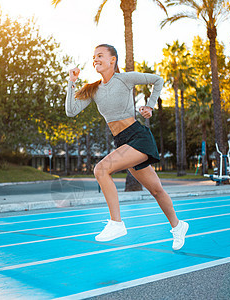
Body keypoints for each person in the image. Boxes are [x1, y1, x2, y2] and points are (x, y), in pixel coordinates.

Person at [65, 44, 189, 250]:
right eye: (94, 56)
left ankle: (116, 223)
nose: (95, 59)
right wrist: (71, 82)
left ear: (113, 60)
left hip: (138, 137)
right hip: (123, 141)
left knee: (101, 170)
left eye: (100, 55)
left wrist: (150, 105)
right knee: (157, 190)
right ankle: (178, 226)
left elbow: (158, 80)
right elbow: (71, 110)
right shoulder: (94, 89)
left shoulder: (125, 79)